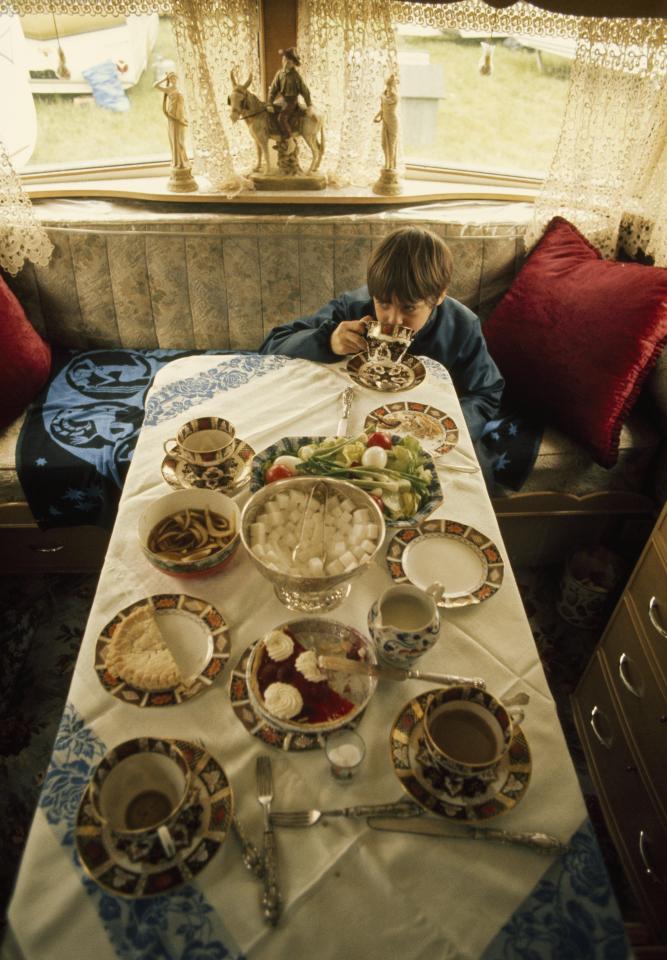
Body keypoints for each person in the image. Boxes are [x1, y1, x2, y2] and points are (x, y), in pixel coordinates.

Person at [258, 226, 504, 489]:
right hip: (356, 424)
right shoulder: (352, 308)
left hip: (432, 433)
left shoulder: (462, 326)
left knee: (473, 482)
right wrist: (328, 341)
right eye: (383, 303)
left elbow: (487, 392)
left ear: (440, 295)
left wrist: (448, 427)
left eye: (409, 308)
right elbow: (273, 344)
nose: (392, 319)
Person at [268, 47, 311, 139]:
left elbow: (305, 91)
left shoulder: (296, 76)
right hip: (282, 99)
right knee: (270, 113)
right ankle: (278, 137)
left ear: (294, 64)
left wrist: (309, 105)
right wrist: (269, 103)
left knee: (281, 118)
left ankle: (289, 139)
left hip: (292, 101)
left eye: (289, 61)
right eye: (285, 59)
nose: (286, 62)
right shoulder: (279, 74)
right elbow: (273, 90)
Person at [153, 72, 189, 169]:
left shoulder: (180, 89)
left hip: (180, 115)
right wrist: (165, 79)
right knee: (176, 138)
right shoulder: (168, 89)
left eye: (175, 78)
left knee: (181, 138)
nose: (174, 80)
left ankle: (183, 160)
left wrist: (185, 117)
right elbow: (155, 85)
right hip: (173, 115)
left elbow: (183, 105)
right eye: (172, 79)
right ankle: (177, 161)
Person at [373, 74, 399, 171]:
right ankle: (386, 162)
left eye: (390, 86)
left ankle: (391, 166)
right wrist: (377, 117)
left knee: (392, 144)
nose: (389, 88)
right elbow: (383, 109)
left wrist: (382, 96)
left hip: (393, 122)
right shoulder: (384, 94)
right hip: (385, 121)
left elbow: (387, 103)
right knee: (384, 143)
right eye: (387, 85)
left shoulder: (395, 97)